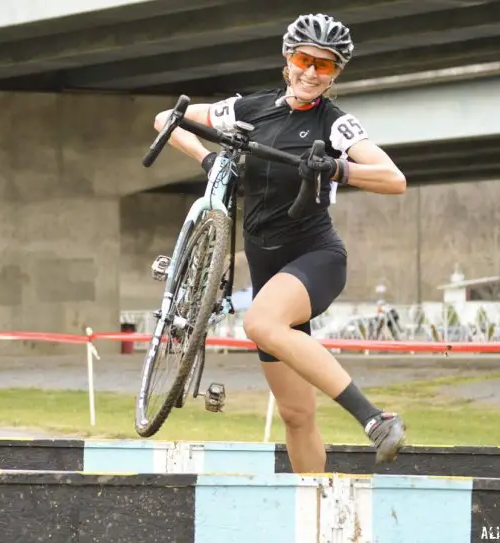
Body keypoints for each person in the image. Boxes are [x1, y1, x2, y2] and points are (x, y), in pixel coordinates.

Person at [152, 13, 407, 471]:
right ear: (287, 61)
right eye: (304, 59)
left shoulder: (336, 123)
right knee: (295, 415)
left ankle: (375, 419)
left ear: (336, 75)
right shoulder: (250, 109)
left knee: (260, 323)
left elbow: (394, 179)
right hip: (269, 272)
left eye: (324, 66)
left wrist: (338, 168)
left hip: (315, 258)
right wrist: (208, 158)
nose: (311, 72)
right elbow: (165, 119)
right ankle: (314, 516)